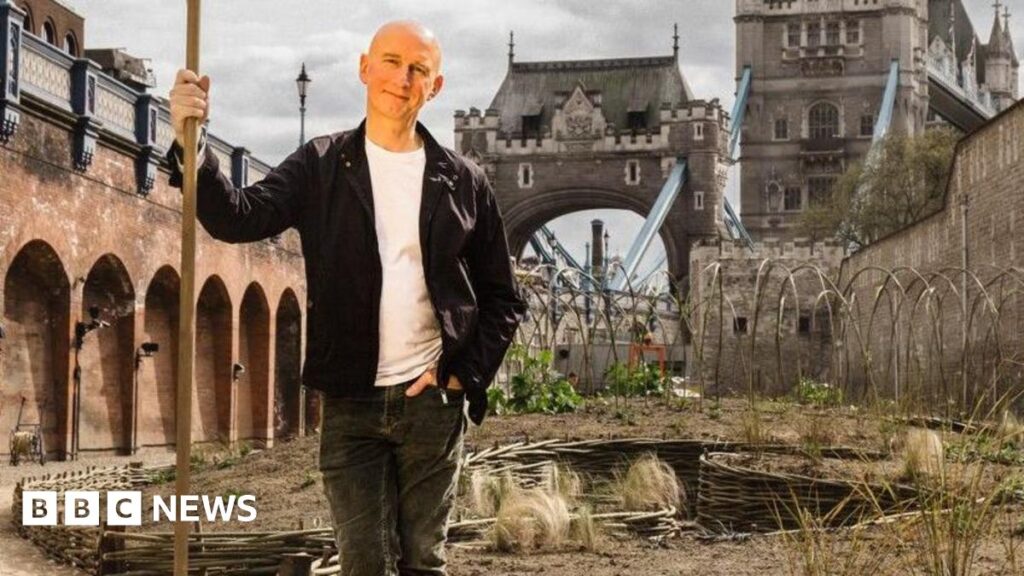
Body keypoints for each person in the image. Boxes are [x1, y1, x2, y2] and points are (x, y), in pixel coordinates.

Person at [167, 20, 525, 576]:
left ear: (436, 86)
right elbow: (237, 218)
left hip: (432, 403)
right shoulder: (321, 164)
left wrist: (463, 375)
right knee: (363, 564)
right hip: (351, 403)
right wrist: (195, 146)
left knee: (424, 562)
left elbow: (504, 299)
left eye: (418, 69)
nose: (402, 79)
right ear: (364, 68)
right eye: (390, 61)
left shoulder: (465, 181)